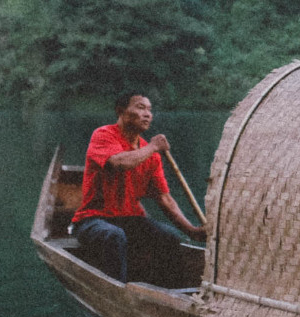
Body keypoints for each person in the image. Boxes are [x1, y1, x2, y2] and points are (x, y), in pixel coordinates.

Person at [71, 92, 205, 282]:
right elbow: (118, 162)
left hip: (130, 220)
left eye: (149, 110)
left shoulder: (151, 154)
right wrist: (152, 147)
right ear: (121, 112)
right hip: (93, 219)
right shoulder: (103, 135)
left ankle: (166, 291)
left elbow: (164, 198)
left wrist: (191, 230)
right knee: (113, 235)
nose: (148, 114)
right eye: (141, 108)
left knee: (171, 238)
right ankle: (117, 292)